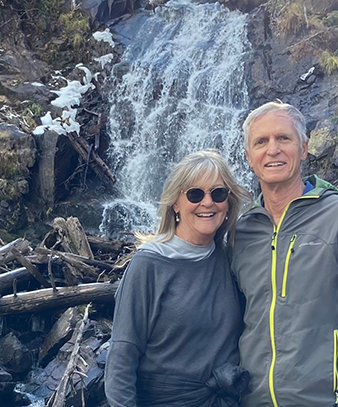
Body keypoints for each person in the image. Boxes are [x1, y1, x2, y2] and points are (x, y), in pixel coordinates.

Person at [230, 101, 338, 407]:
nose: (273, 150)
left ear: (304, 148)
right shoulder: (240, 233)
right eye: (261, 142)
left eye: (284, 138)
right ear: (248, 157)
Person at [104, 149, 252, 407]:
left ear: (228, 202)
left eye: (218, 193)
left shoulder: (229, 258)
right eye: (195, 194)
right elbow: (122, 354)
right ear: (175, 203)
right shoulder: (149, 263)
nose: (208, 203)